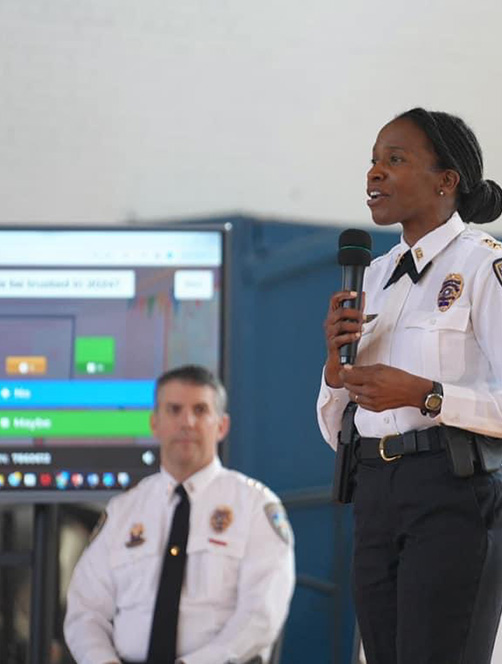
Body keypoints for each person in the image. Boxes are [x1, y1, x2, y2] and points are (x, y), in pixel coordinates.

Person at [317, 108, 502, 664]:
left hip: (451, 490)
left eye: (395, 160)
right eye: (373, 161)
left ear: (447, 180)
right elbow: (336, 426)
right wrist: (334, 368)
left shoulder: (481, 265)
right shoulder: (373, 274)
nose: (374, 174)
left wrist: (427, 394)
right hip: (374, 490)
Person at [65, 364, 295, 664]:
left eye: (200, 410)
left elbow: (261, 614)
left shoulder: (255, 505)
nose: (186, 422)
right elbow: (85, 611)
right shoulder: (123, 511)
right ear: (154, 423)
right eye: (174, 410)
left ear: (222, 425)